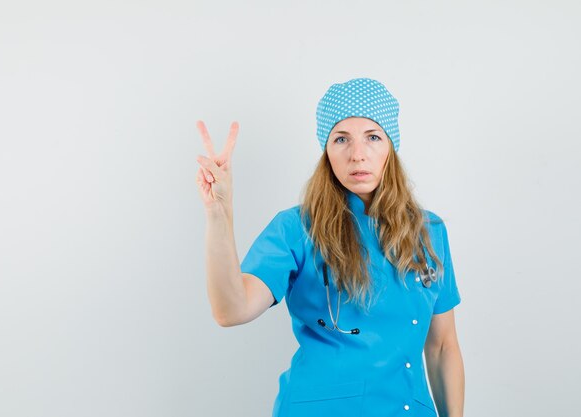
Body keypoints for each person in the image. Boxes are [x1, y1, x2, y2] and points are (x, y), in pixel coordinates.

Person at [195, 78, 465, 417]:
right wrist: (219, 215)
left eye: (372, 137)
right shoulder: (296, 228)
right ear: (326, 151)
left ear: (390, 146)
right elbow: (231, 310)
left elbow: (441, 347)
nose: (357, 154)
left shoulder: (429, 232)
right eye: (341, 139)